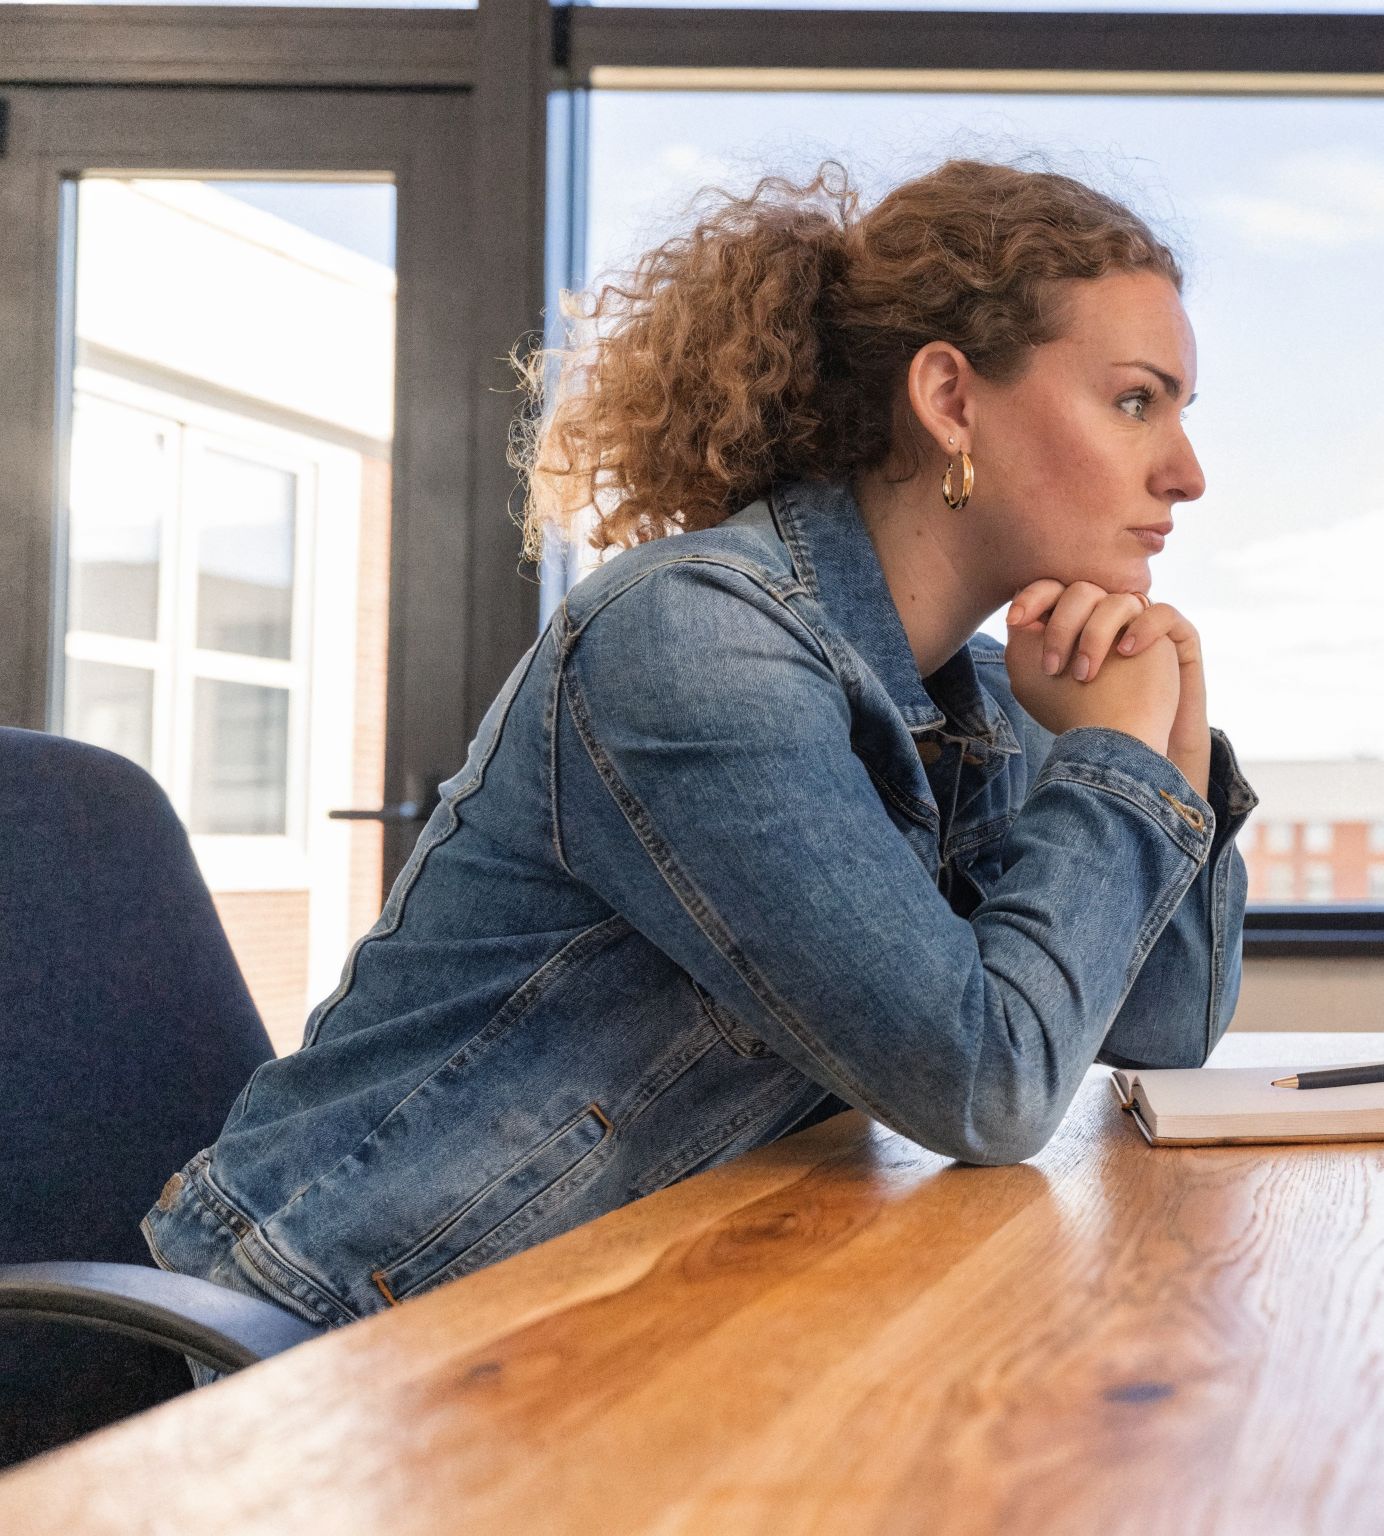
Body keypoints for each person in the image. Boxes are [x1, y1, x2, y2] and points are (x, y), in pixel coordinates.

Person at [145, 160, 1252, 1328]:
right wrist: (1117, 769)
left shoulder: (972, 695)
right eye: (1139, 401)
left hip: (590, 1316)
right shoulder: (697, 643)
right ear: (952, 401)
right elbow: (993, 1083)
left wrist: (1163, 742)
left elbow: (1159, 1028)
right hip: (311, 1341)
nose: (1186, 471)